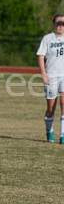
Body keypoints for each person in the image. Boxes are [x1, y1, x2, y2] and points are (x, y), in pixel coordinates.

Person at [37, 14, 64, 144]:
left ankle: (63, 135)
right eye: (58, 23)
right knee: (50, 108)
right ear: (54, 24)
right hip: (51, 75)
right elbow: (41, 56)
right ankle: (49, 130)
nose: (61, 26)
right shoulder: (47, 38)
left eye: (63, 23)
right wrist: (43, 73)